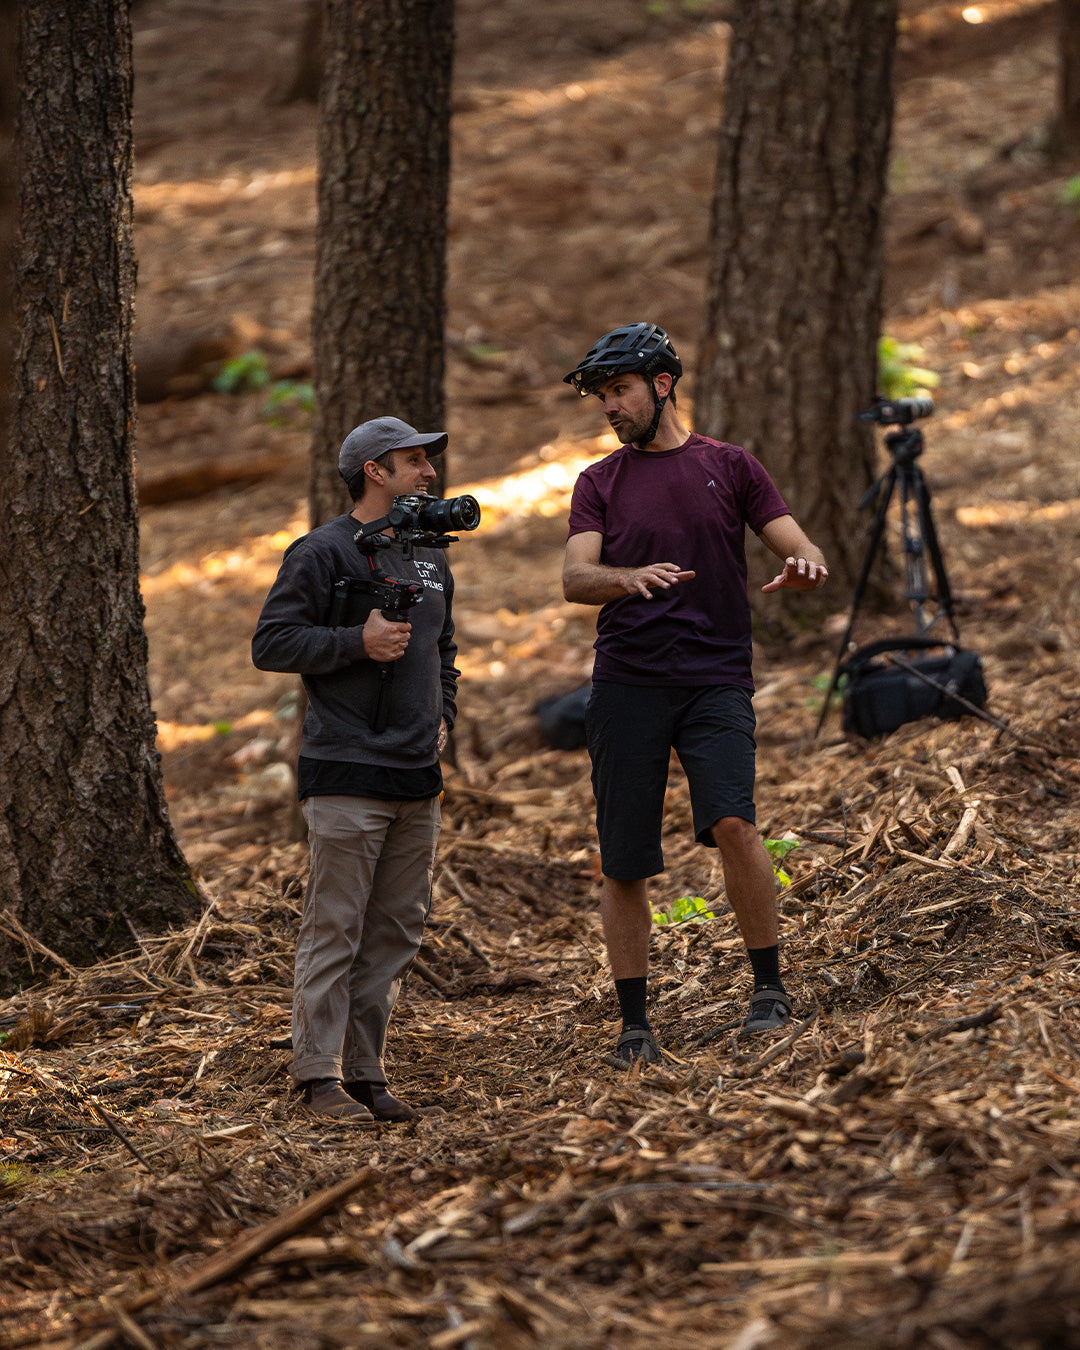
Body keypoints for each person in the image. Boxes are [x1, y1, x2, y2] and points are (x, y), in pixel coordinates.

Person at [561, 323, 828, 1067]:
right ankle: (634, 1025)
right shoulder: (599, 484)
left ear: (663, 385)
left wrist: (804, 565)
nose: (609, 407)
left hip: (715, 678)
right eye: (602, 395)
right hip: (627, 685)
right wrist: (626, 578)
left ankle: (769, 989)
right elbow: (573, 578)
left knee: (736, 822)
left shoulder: (731, 466)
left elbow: (796, 542)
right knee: (624, 861)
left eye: (619, 390)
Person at [252, 416, 460, 1123]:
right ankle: (317, 1078)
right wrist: (355, 641)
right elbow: (273, 642)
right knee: (334, 925)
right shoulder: (322, 552)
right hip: (345, 772)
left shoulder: (429, 556)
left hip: (415, 780)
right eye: (414, 461)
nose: (428, 472)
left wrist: (444, 715)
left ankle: (367, 1076)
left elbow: (445, 649)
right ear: (376, 470)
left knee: (397, 929)